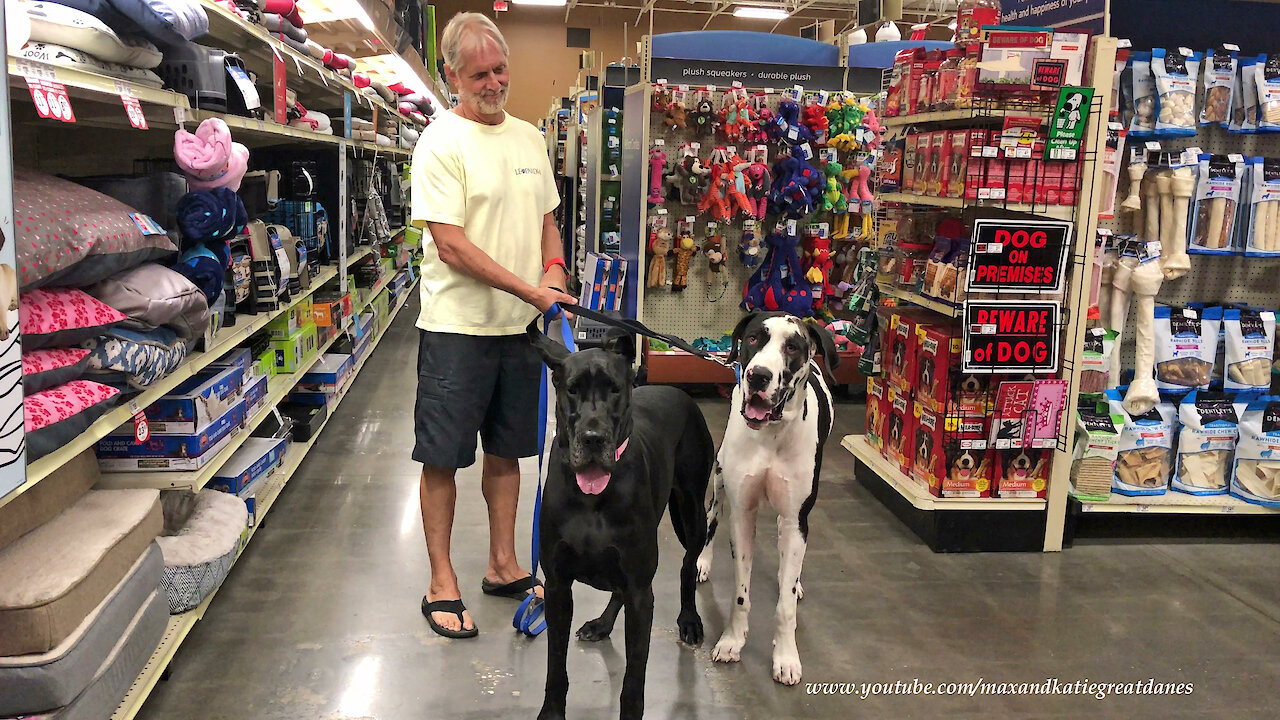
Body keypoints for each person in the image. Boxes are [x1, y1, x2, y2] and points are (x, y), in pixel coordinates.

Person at [409, 12, 577, 639]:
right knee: (443, 457)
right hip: (457, 328)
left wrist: (555, 268)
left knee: (507, 452)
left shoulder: (530, 139)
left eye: (500, 68)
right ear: (452, 74)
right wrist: (531, 289)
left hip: (521, 329)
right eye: (478, 73)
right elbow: (449, 244)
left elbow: (547, 220)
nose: (492, 82)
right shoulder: (440, 142)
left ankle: (503, 563)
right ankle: (440, 580)